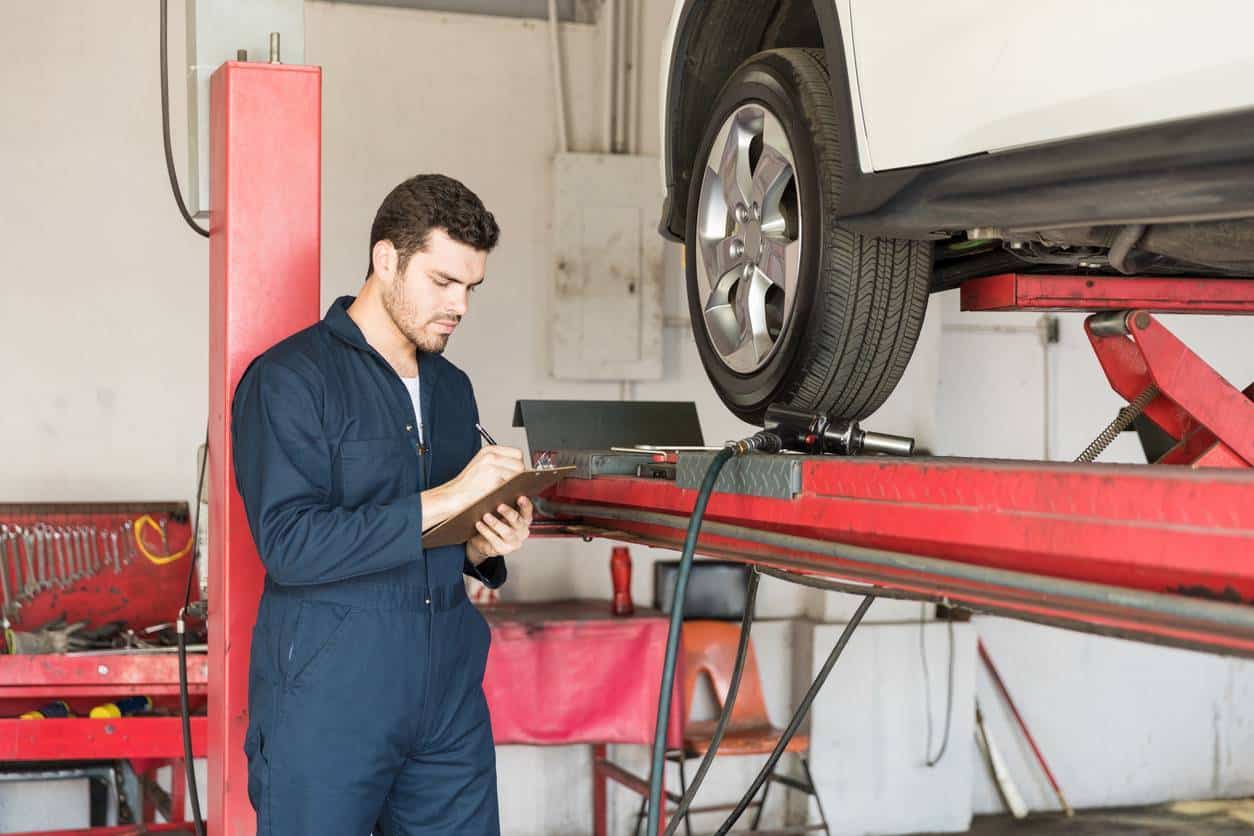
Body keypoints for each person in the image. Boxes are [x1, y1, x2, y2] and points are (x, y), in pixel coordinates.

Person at [231, 174, 531, 835]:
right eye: (443, 282)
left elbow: (449, 536)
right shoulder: (288, 380)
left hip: (446, 704)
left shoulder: (452, 389)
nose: (461, 306)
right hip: (328, 707)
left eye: (471, 287)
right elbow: (289, 546)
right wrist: (448, 497)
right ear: (386, 259)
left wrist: (486, 545)